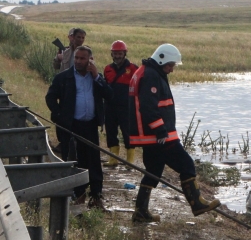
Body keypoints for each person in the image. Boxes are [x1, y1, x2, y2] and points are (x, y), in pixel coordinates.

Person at [128, 43, 220, 222]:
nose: (171, 70)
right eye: (170, 65)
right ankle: (197, 204)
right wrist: (160, 130)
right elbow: (148, 106)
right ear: (161, 59)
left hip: (151, 136)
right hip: (158, 136)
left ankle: (141, 211)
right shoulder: (151, 75)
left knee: (153, 170)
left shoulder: (149, 71)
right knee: (186, 165)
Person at [46, 45, 113, 211]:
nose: (78, 61)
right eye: (76, 58)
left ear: (90, 60)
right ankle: (79, 195)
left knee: (94, 161)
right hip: (71, 126)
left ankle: (96, 197)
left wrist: (97, 76)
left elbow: (110, 95)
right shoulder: (64, 78)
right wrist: (59, 116)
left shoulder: (95, 77)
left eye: (82, 58)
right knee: (76, 160)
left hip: (90, 125)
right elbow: (50, 98)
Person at [103, 40, 136, 167]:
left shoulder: (133, 68)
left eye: (120, 53)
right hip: (110, 106)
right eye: (115, 53)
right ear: (112, 54)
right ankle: (113, 159)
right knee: (111, 132)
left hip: (126, 107)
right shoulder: (107, 69)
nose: (117, 56)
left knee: (128, 132)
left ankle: (130, 161)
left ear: (125, 53)